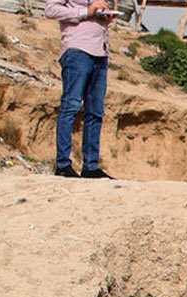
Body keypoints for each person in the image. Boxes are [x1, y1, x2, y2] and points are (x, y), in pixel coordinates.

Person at [44, 0, 116, 178]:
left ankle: (90, 166)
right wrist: (87, 11)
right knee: (71, 106)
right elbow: (50, 10)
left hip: (100, 51)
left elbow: (94, 16)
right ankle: (63, 165)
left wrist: (105, 16)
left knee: (95, 111)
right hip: (77, 49)